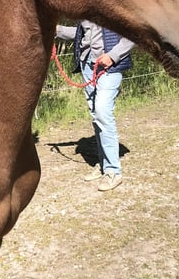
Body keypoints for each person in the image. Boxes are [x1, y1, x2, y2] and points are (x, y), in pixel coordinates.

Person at [56, 20, 135, 192]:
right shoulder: (87, 9)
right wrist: (56, 30)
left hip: (109, 68)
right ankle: (104, 165)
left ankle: (113, 171)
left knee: (102, 112)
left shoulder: (113, 5)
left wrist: (112, 56)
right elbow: (80, 34)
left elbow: (133, 34)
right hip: (87, 66)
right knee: (96, 115)